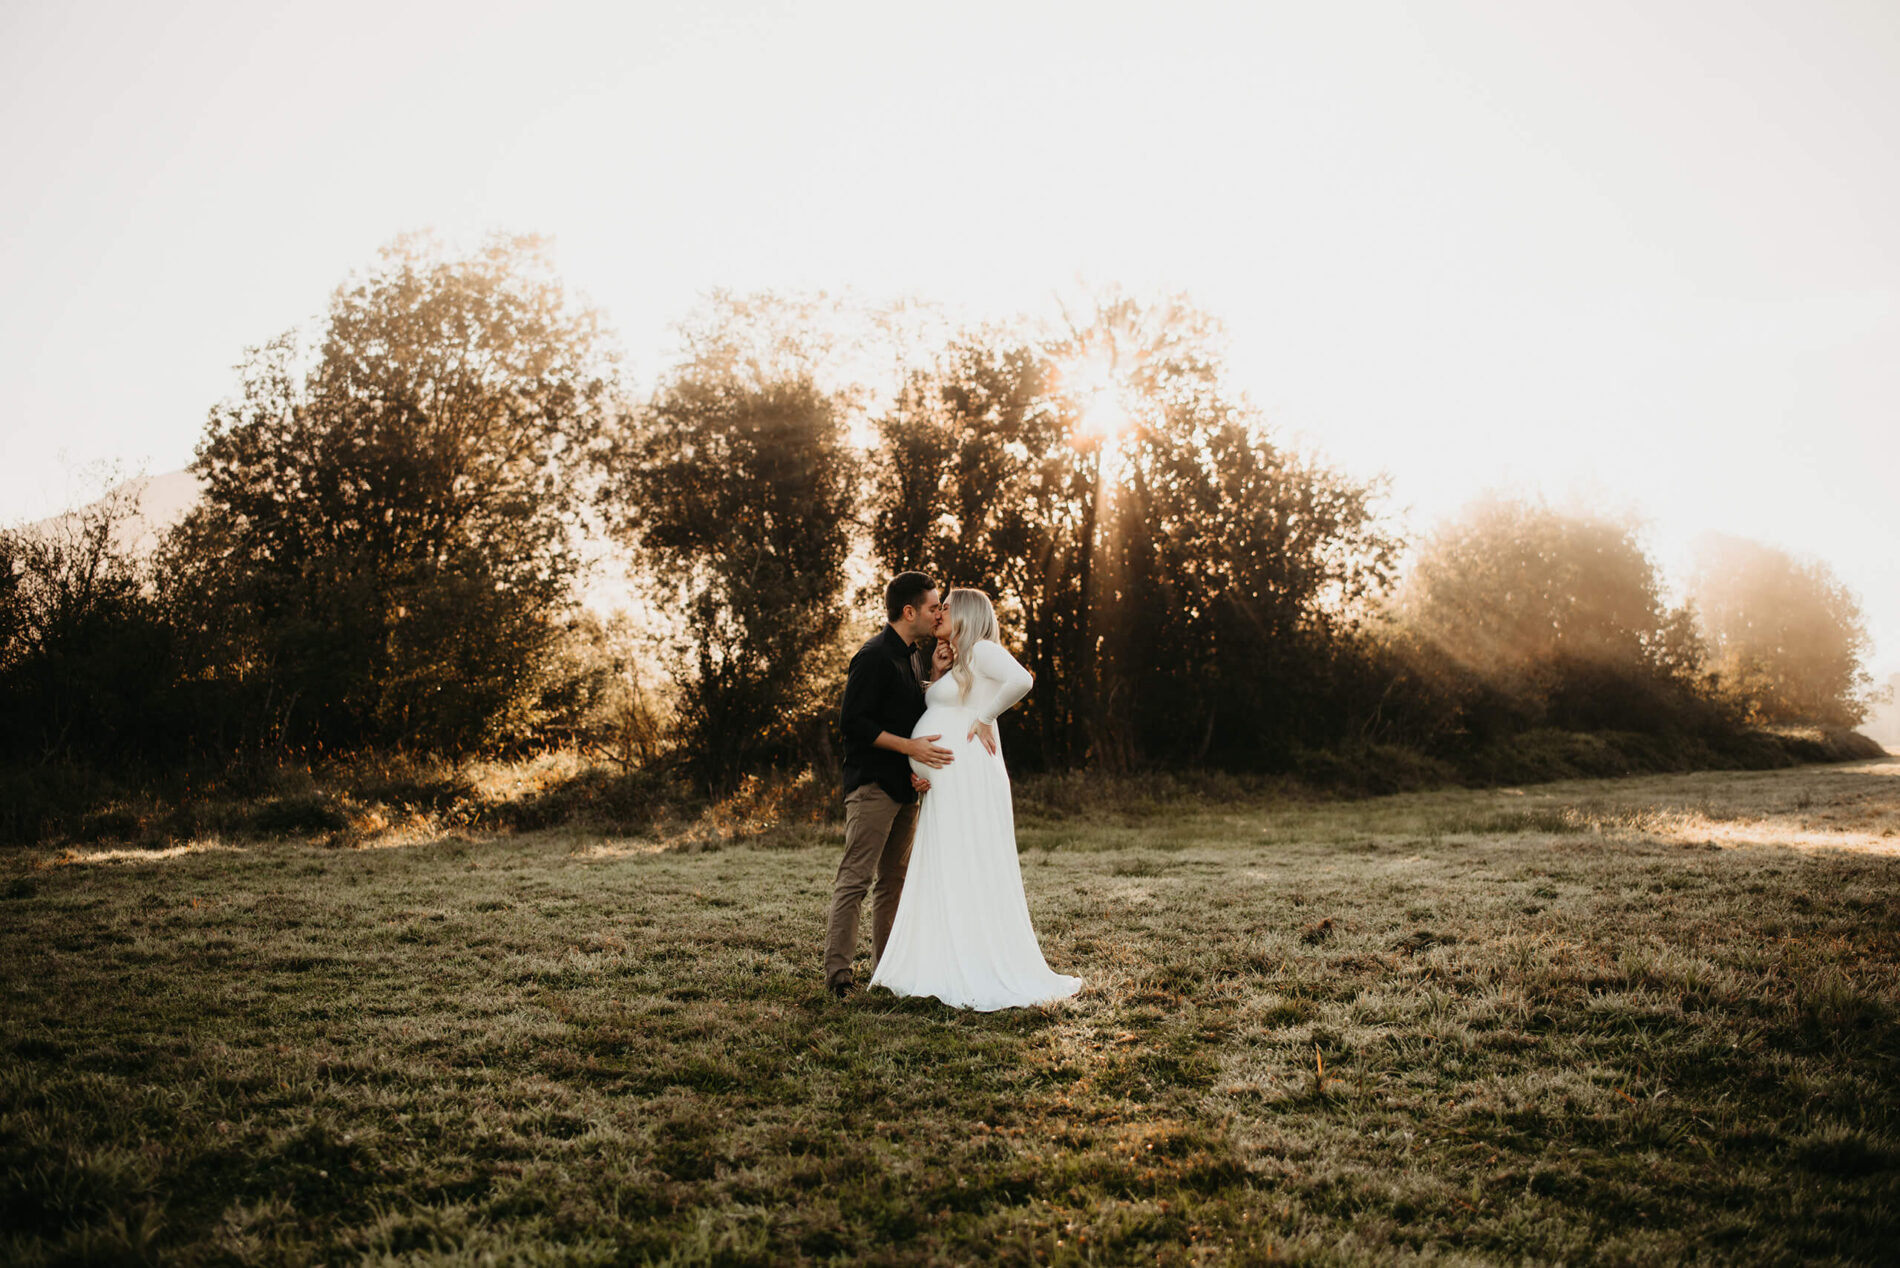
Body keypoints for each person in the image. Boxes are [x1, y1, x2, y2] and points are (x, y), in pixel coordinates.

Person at [870, 587, 1083, 1011]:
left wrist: (986, 718)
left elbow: (1022, 680)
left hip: (967, 776)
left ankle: (973, 959)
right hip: (945, 781)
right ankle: (943, 955)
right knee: (945, 862)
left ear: (966, 613)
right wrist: (935, 674)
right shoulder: (959, 660)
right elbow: (946, 708)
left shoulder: (984, 649)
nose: (940, 613)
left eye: (946, 607)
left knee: (965, 859)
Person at [826, 571, 953, 1000]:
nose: (939, 613)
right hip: (872, 786)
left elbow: (917, 717)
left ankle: (888, 971)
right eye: (935, 606)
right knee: (855, 880)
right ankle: (839, 975)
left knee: (894, 882)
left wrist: (934, 676)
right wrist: (909, 748)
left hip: (906, 788)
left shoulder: (915, 657)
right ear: (910, 611)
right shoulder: (874, 655)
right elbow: (854, 723)